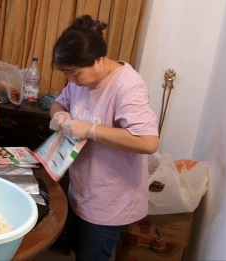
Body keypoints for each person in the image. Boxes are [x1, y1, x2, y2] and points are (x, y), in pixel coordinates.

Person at [49, 15, 159, 261]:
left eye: (75, 74)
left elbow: (148, 142)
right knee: (80, 250)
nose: (72, 81)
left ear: (98, 60)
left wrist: (90, 130)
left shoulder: (127, 86)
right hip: (82, 188)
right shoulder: (79, 80)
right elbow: (59, 102)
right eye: (67, 74)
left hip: (111, 198)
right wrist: (60, 116)